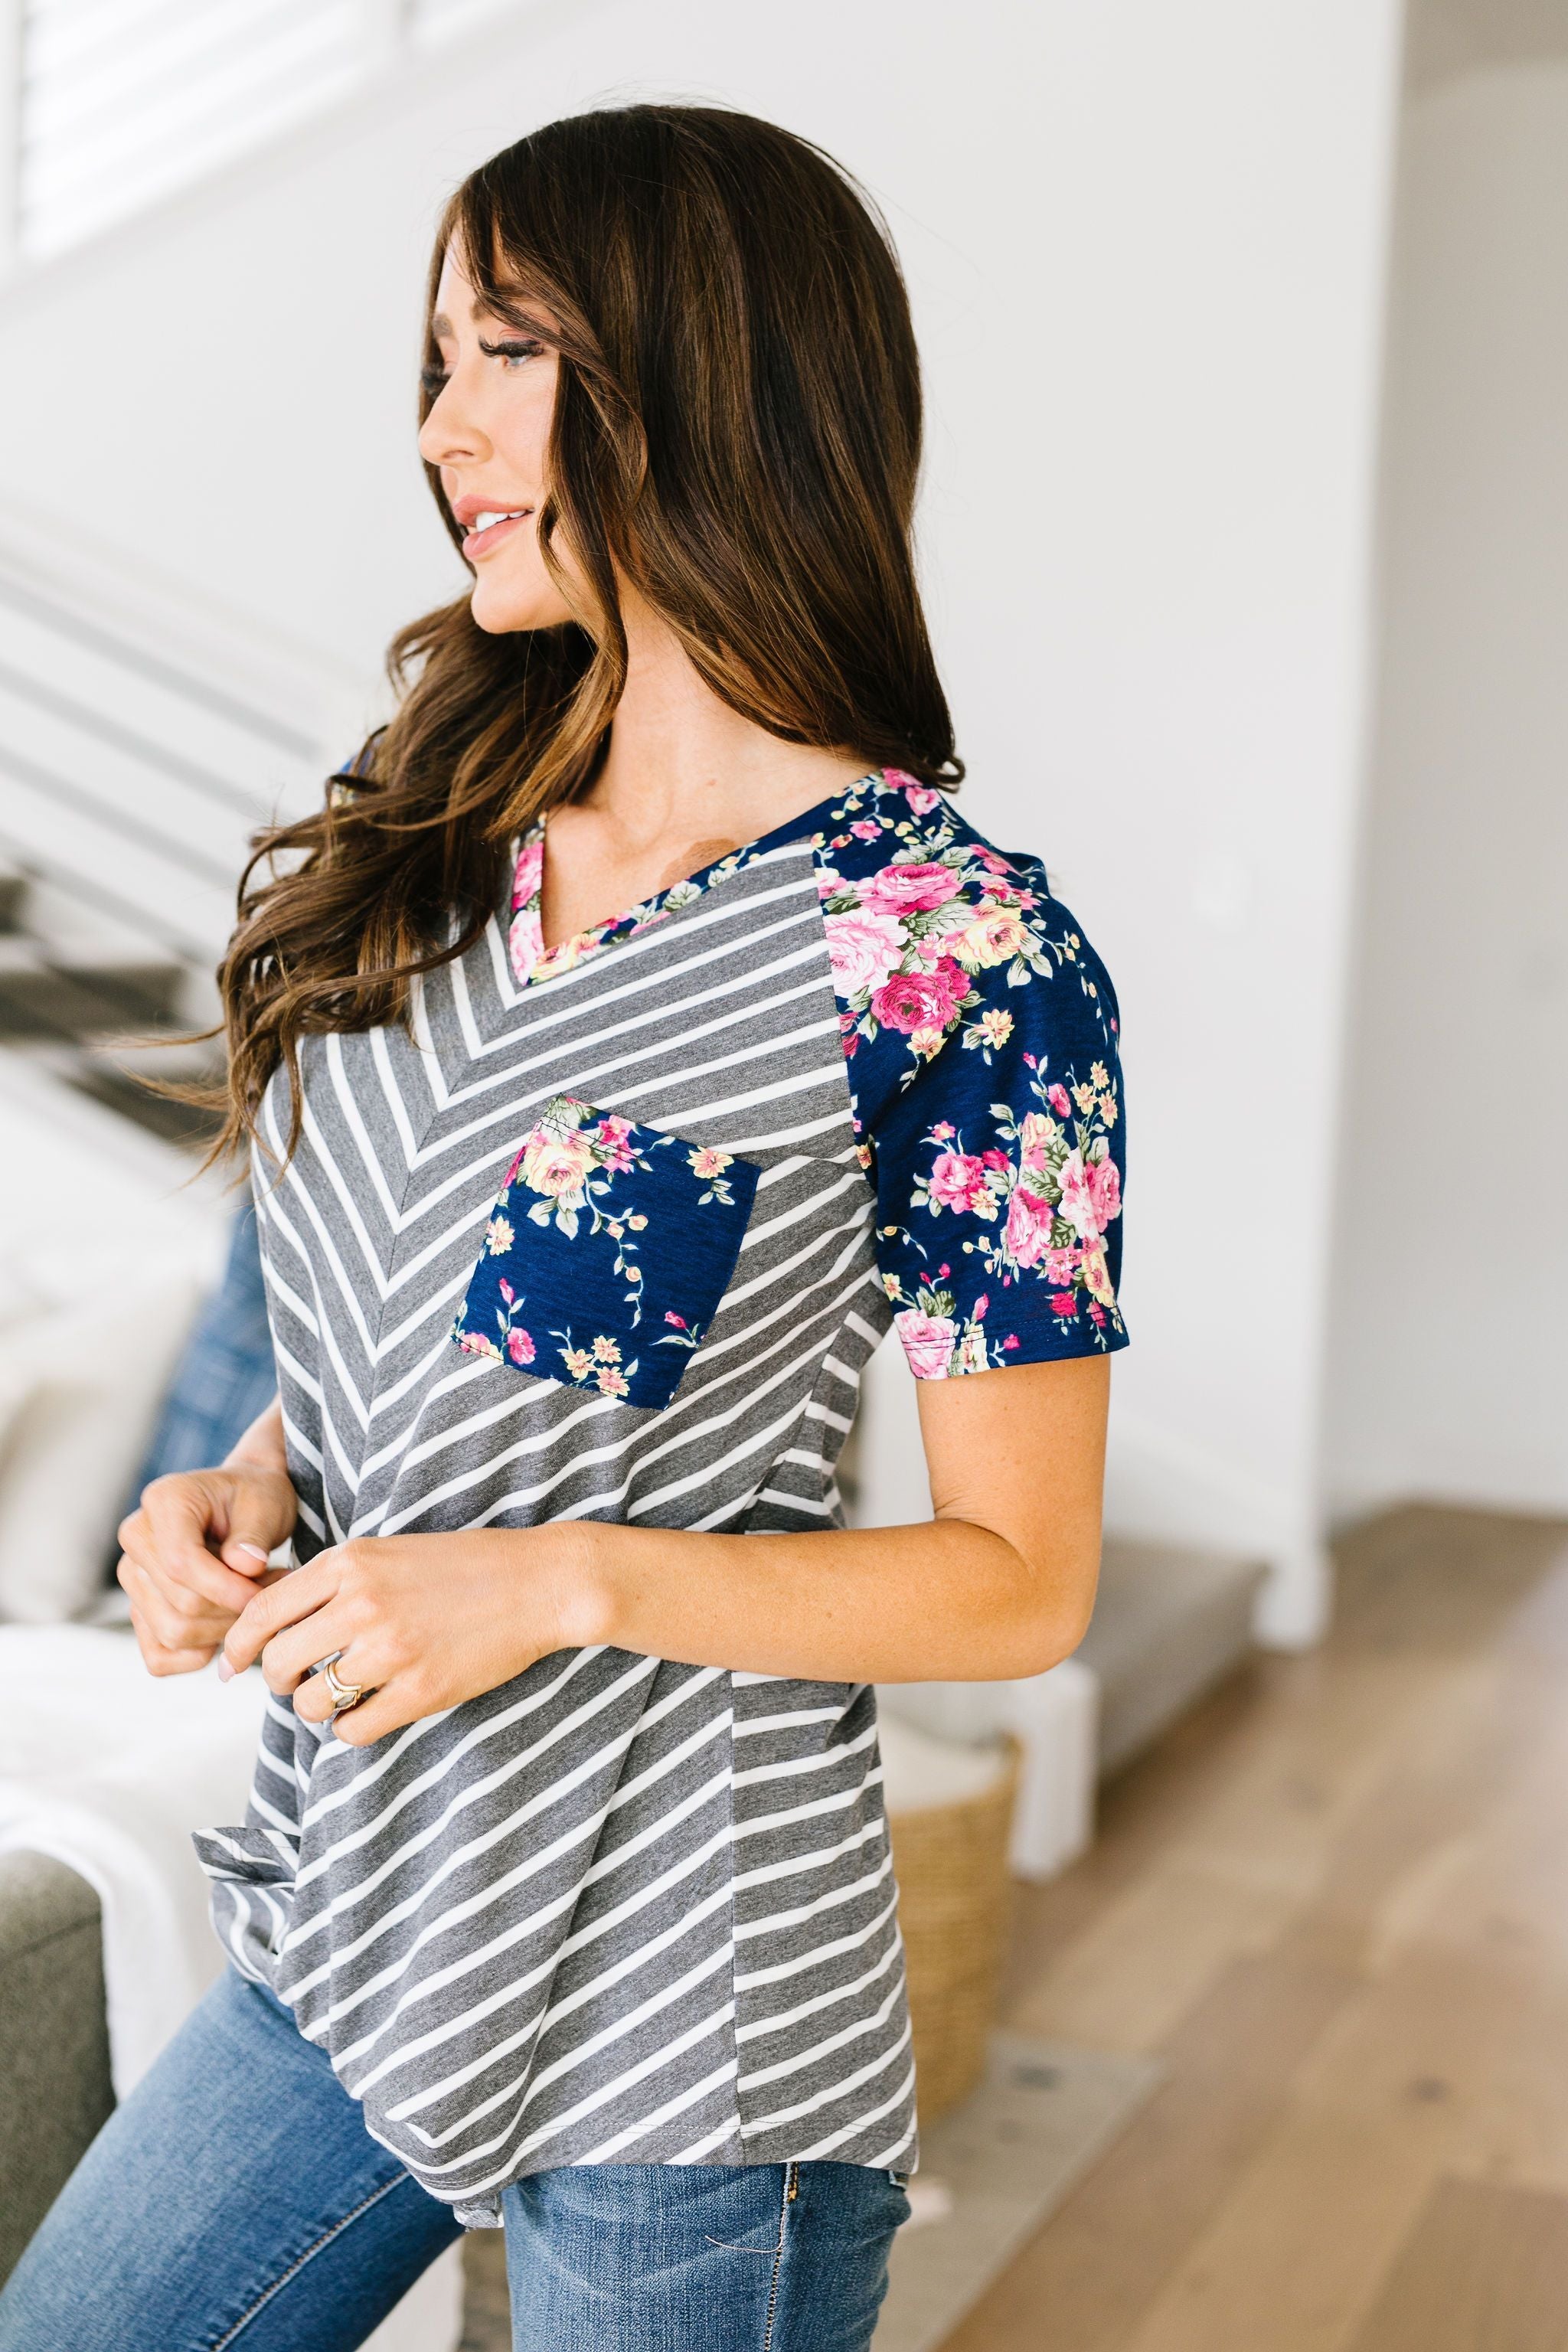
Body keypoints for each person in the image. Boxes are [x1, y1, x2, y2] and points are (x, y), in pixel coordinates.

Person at [0, 103, 1127, 2352]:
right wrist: (245, 1493)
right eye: (431, 363)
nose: (440, 434)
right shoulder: (442, 849)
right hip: (357, 1910)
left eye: (499, 351)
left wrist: (561, 1580)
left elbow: (1022, 1588)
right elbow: (427, 1363)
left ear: (705, 369)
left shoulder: (950, 947)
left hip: (691, 1998)